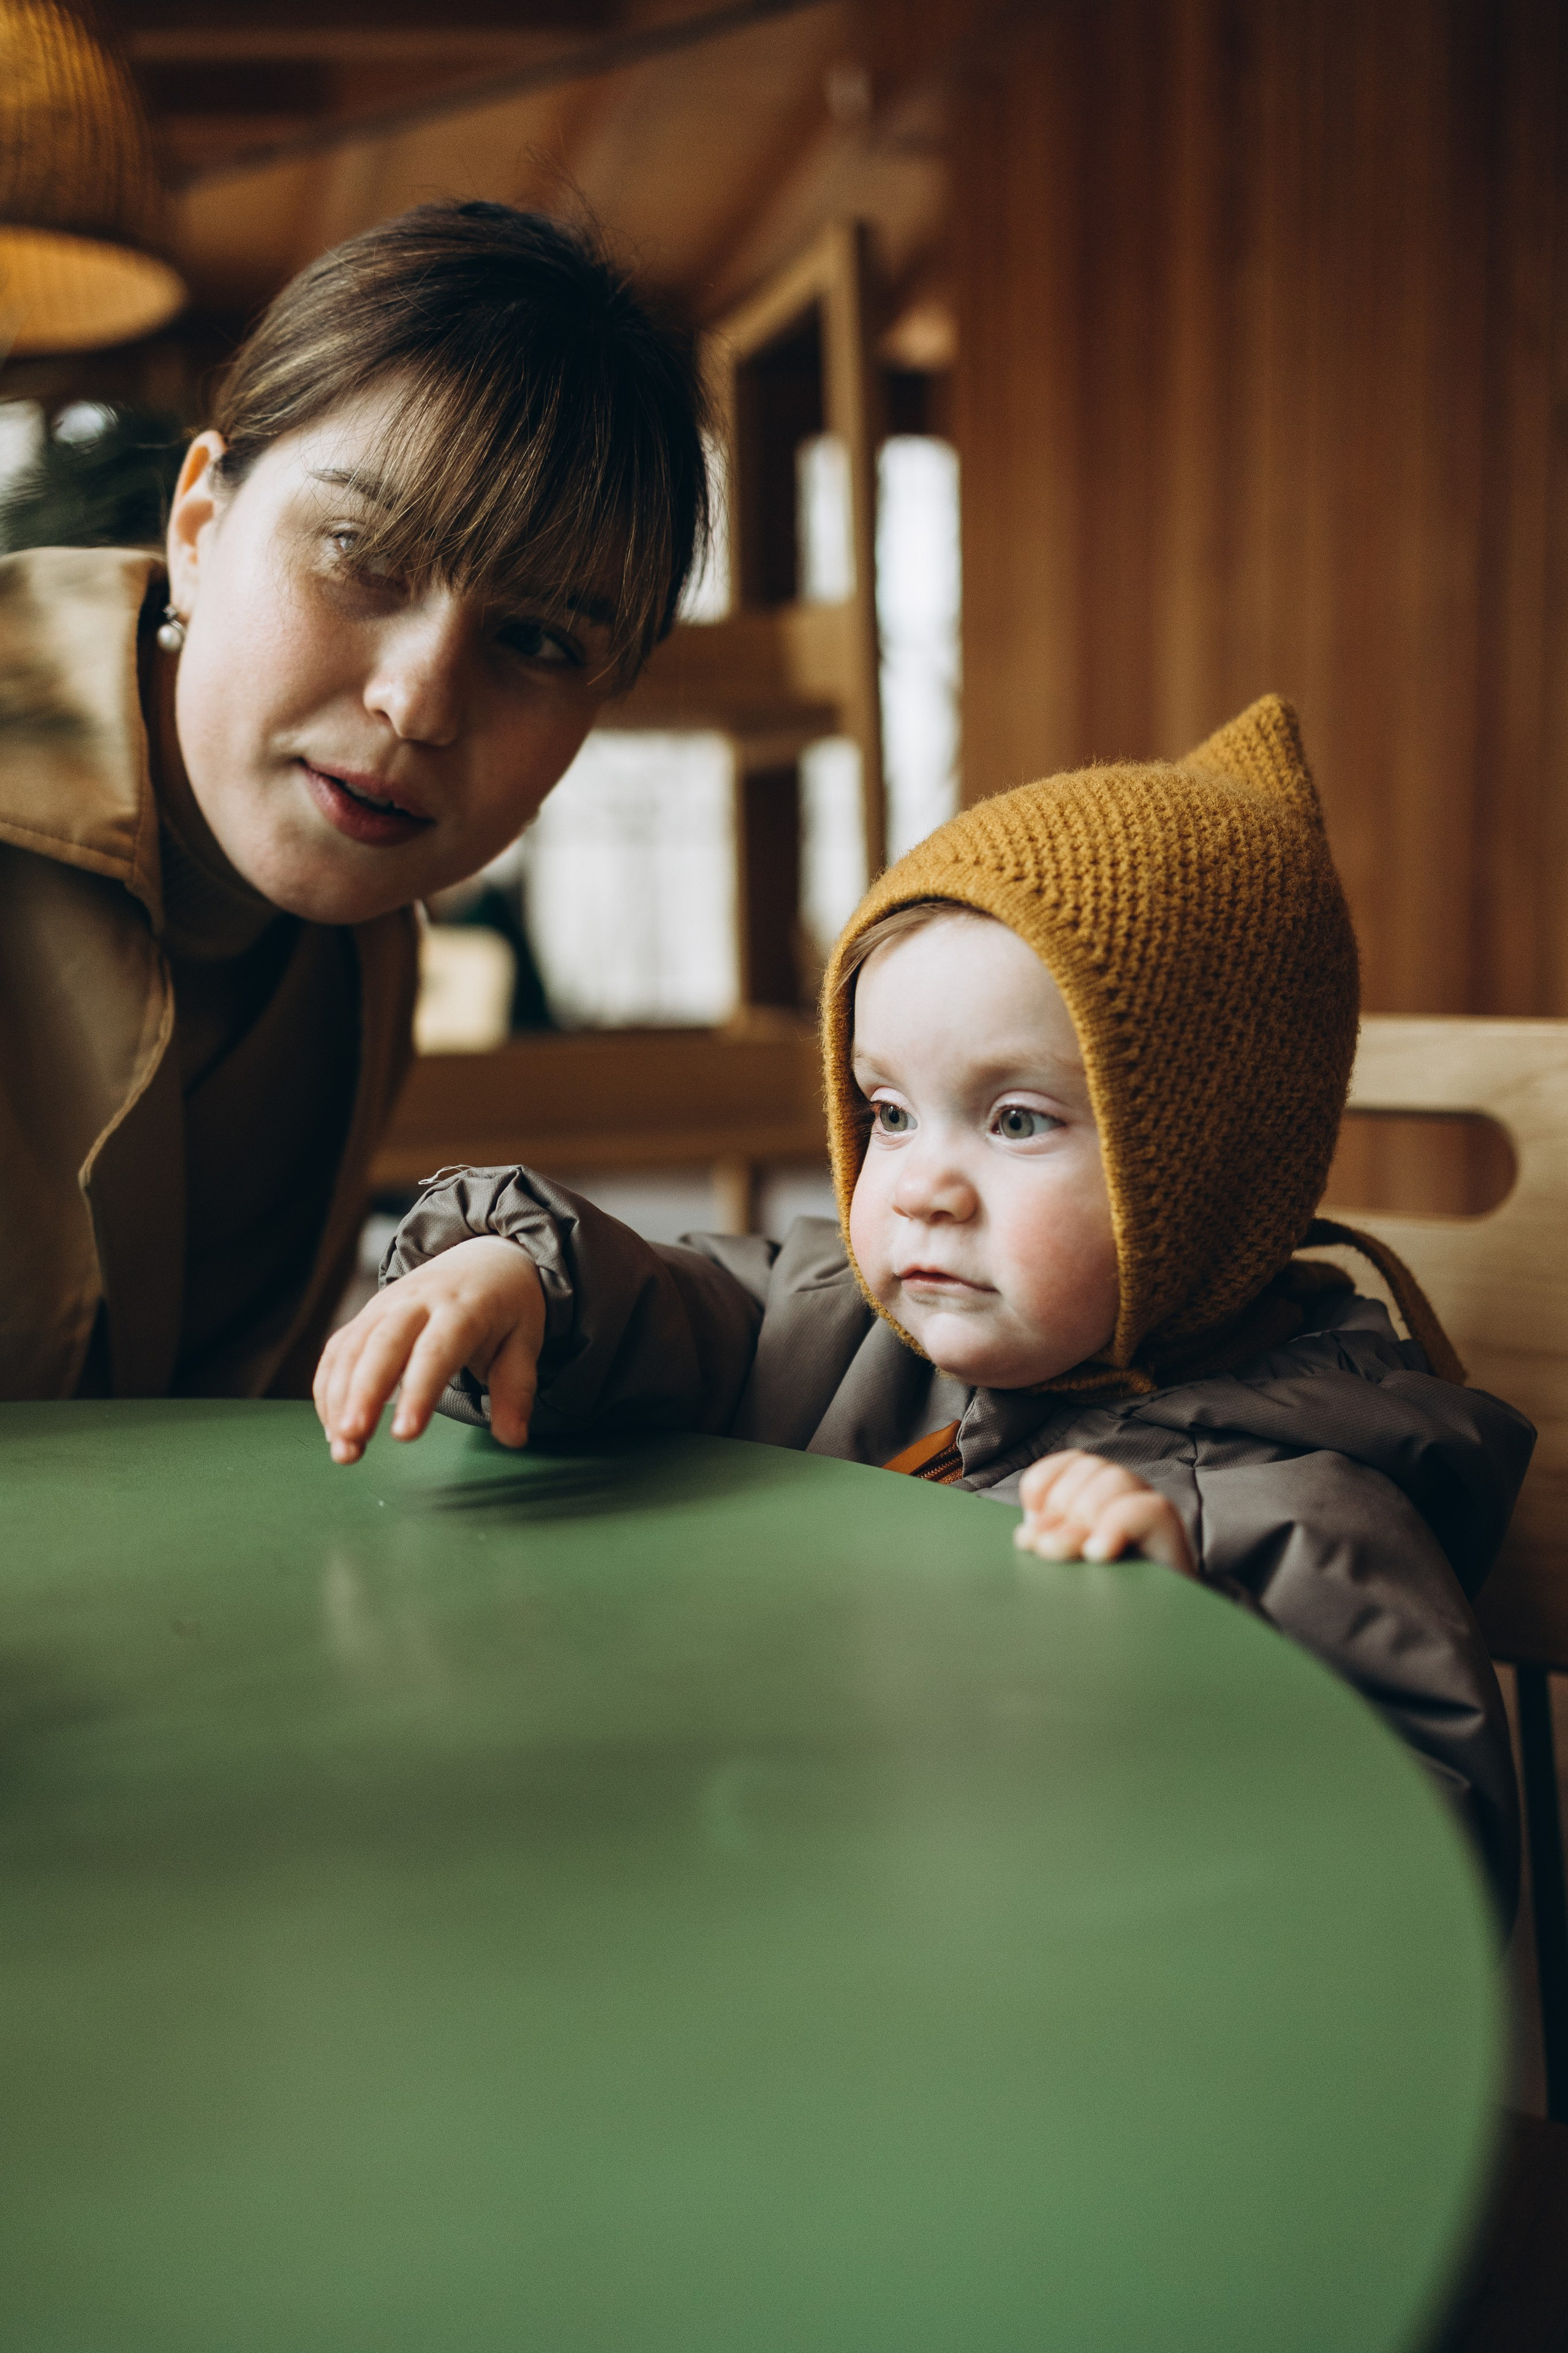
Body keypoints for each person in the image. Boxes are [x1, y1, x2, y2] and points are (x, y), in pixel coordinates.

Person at [314, 694, 1531, 1912]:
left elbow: (1420, 1889)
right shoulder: (846, 1327)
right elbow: (680, 1306)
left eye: (1015, 1119)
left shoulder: (1310, 1518)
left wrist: (1185, 1671)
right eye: (888, 1112)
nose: (920, 1189)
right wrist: (521, 1268)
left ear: (1204, 1166)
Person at [0, 200, 707, 1402]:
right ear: (199, 525)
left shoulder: (361, 945)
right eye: (360, 558)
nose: (421, 703)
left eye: (535, 638)